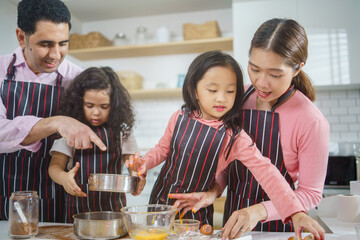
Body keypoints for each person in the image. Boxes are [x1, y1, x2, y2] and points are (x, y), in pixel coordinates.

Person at [126, 51, 325, 239]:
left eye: (230, 91)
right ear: (193, 90)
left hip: (196, 213)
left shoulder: (235, 137)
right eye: (212, 90)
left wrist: (295, 212)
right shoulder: (179, 117)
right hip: (160, 203)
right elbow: (162, 150)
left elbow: (268, 173)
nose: (221, 97)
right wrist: (144, 164)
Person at [169, 18, 329, 240]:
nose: (261, 82)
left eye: (274, 74)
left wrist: (258, 211)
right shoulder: (236, 97)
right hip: (234, 221)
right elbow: (229, 158)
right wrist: (213, 192)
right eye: (254, 69)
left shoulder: (311, 120)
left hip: (279, 228)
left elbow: (311, 193)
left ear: (297, 68)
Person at [0, 0, 106, 222]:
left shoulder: (78, 79)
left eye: (63, 44)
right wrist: (55, 122)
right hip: (3, 190)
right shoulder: (1, 72)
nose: (55, 54)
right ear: (21, 37)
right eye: (46, 44)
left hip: (59, 194)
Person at [48, 66, 139, 223]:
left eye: (104, 107)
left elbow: (134, 164)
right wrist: (64, 179)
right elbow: (54, 167)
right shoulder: (70, 131)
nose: (96, 112)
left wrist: (137, 176)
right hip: (77, 212)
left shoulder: (121, 131)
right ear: (79, 102)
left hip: (113, 210)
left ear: (114, 105)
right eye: (89, 106)